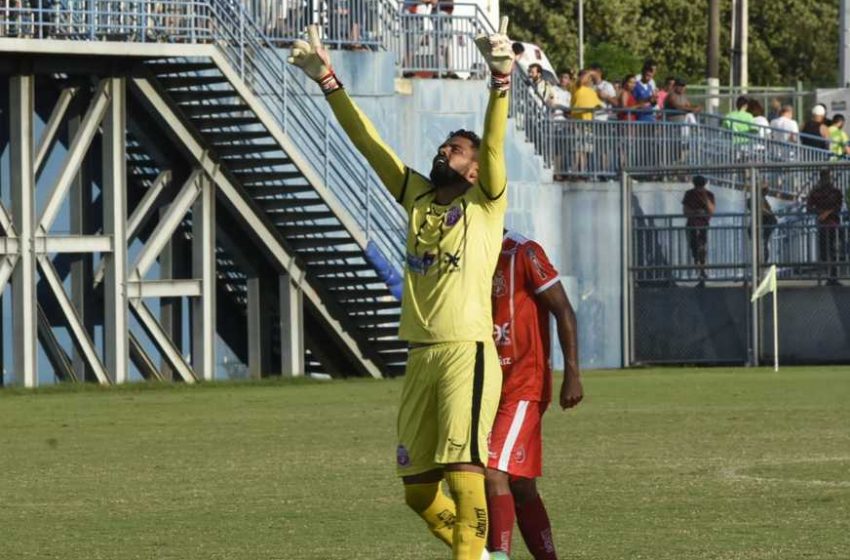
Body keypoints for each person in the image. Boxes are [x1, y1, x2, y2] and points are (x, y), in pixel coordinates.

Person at [289, 20, 512, 560]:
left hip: (466, 352)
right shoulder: (416, 195)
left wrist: (500, 79)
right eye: (445, 145)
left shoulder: (486, 200)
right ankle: (484, 557)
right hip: (420, 354)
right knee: (417, 492)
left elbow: (495, 138)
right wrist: (327, 80)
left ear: (477, 167)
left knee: (464, 477)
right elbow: (367, 142)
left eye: (457, 149)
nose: (445, 150)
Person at [486, 231, 583, 560]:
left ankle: (497, 556)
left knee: (492, 471)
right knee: (521, 484)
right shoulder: (467, 252)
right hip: (487, 388)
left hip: (524, 384)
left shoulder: (524, 252)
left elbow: (564, 310)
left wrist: (572, 374)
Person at [806, 171, 843, 284]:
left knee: (832, 251)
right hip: (824, 225)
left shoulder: (835, 192)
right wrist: (821, 213)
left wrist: (826, 213)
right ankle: (830, 275)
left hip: (832, 224)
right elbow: (809, 207)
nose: (826, 179)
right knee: (825, 251)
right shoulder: (816, 192)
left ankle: (833, 276)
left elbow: (838, 207)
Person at [682, 175, 716, 283]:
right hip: (692, 224)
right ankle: (698, 269)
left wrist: (705, 197)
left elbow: (711, 210)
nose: (699, 188)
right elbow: (685, 212)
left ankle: (702, 270)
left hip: (703, 224)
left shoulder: (709, 195)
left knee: (702, 247)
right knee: (694, 248)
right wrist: (696, 212)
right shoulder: (689, 194)